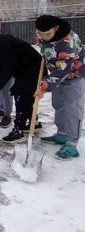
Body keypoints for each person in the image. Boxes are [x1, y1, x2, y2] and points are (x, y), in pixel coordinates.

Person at [34, 15, 85, 160]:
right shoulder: (45, 36)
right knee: (58, 104)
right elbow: (47, 50)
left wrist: (44, 86)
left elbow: (63, 70)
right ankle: (62, 134)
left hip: (75, 75)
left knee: (72, 109)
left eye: (47, 34)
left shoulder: (67, 44)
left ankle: (72, 143)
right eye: (40, 34)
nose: (44, 37)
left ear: (56, 29)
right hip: (57, 77)